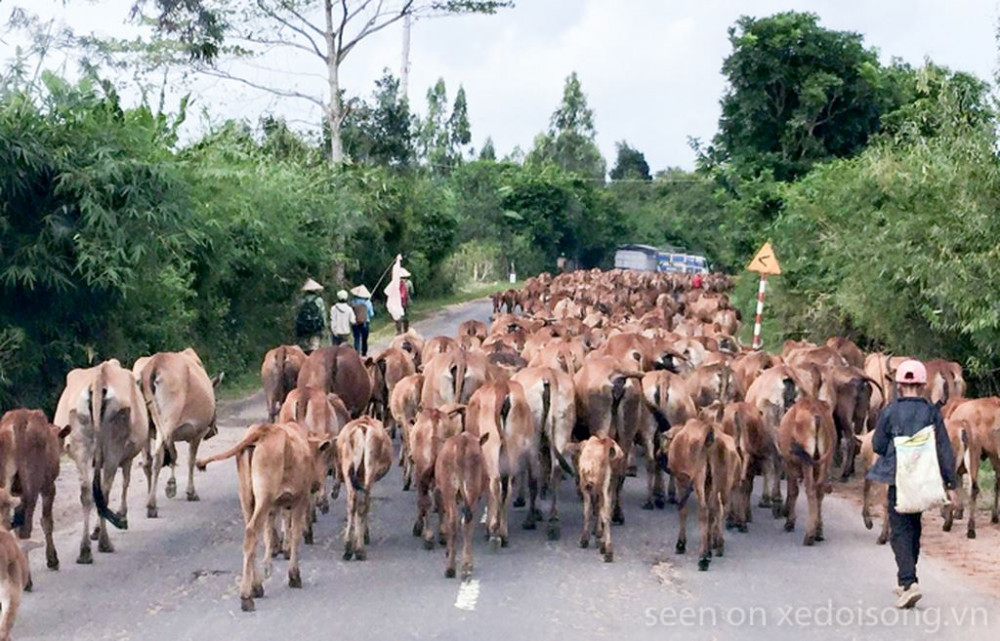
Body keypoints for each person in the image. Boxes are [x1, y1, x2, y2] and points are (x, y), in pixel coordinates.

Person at [867, 359, 958, 609]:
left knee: (899, 531)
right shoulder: (931, 412)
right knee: (914, 526)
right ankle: (906, 580)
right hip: (923, 478)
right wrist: (951, 484)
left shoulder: (889, 411)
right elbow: (943, 449)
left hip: (898, 478)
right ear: (922, 385)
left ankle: (909, 582)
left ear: (899, 385)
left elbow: (877, 445)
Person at [294, 278, 327, 354]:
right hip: (316, 327)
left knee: (304, 347)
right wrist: (324, 325)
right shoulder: (319, 300)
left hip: (303, 327)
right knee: (314, 346)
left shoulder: (302, 300)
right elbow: (323, 313)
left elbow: (298, 313)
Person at [348, 285, 375, 356]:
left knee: (356, 338)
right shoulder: (368, 303)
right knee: (364, 339)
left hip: (355, 323)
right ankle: (364, 353)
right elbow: (371, 314)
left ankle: (356, 353)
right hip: (365, 323)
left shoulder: (352, 302)